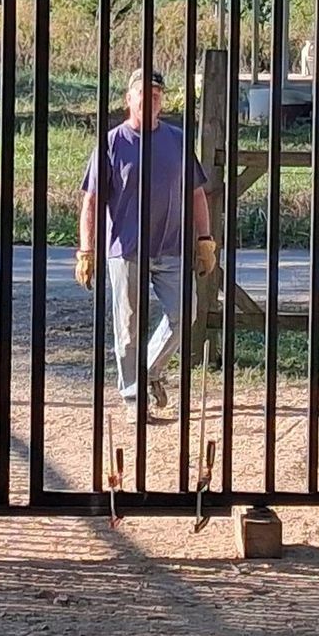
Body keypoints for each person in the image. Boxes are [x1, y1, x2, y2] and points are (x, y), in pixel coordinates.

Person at [76, 68, 218, 412]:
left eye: (157, 95)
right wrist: (86, 250)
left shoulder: (177, 140)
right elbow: (91, 202)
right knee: (127, 329)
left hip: (172, 247)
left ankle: (150, 370)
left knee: (185, 313)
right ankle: (133, 400)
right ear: (130, 99)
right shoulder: (111, 144)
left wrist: (205, 239)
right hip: (126, 250)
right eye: (144, 93)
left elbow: (197, 194)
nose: (151, 99)